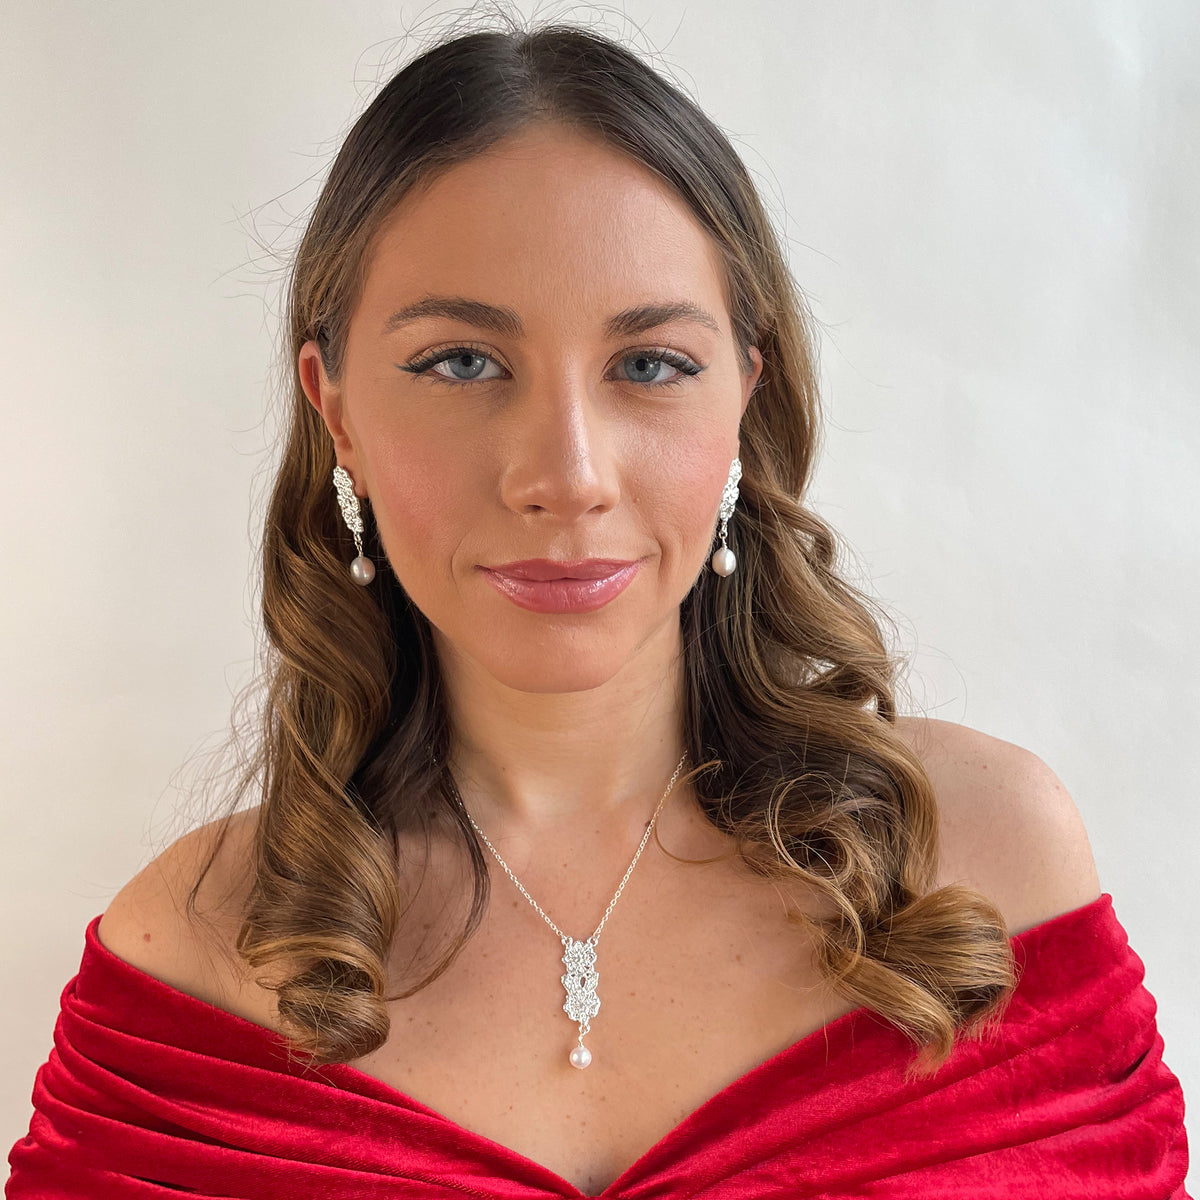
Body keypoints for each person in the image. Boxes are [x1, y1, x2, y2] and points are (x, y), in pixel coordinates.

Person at [7, 16, 1190, 1200]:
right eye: (463, 362)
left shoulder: (985, 863)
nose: (566, 474)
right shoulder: (192, 958)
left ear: (744, 391)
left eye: (651, 365)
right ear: (337, 410)